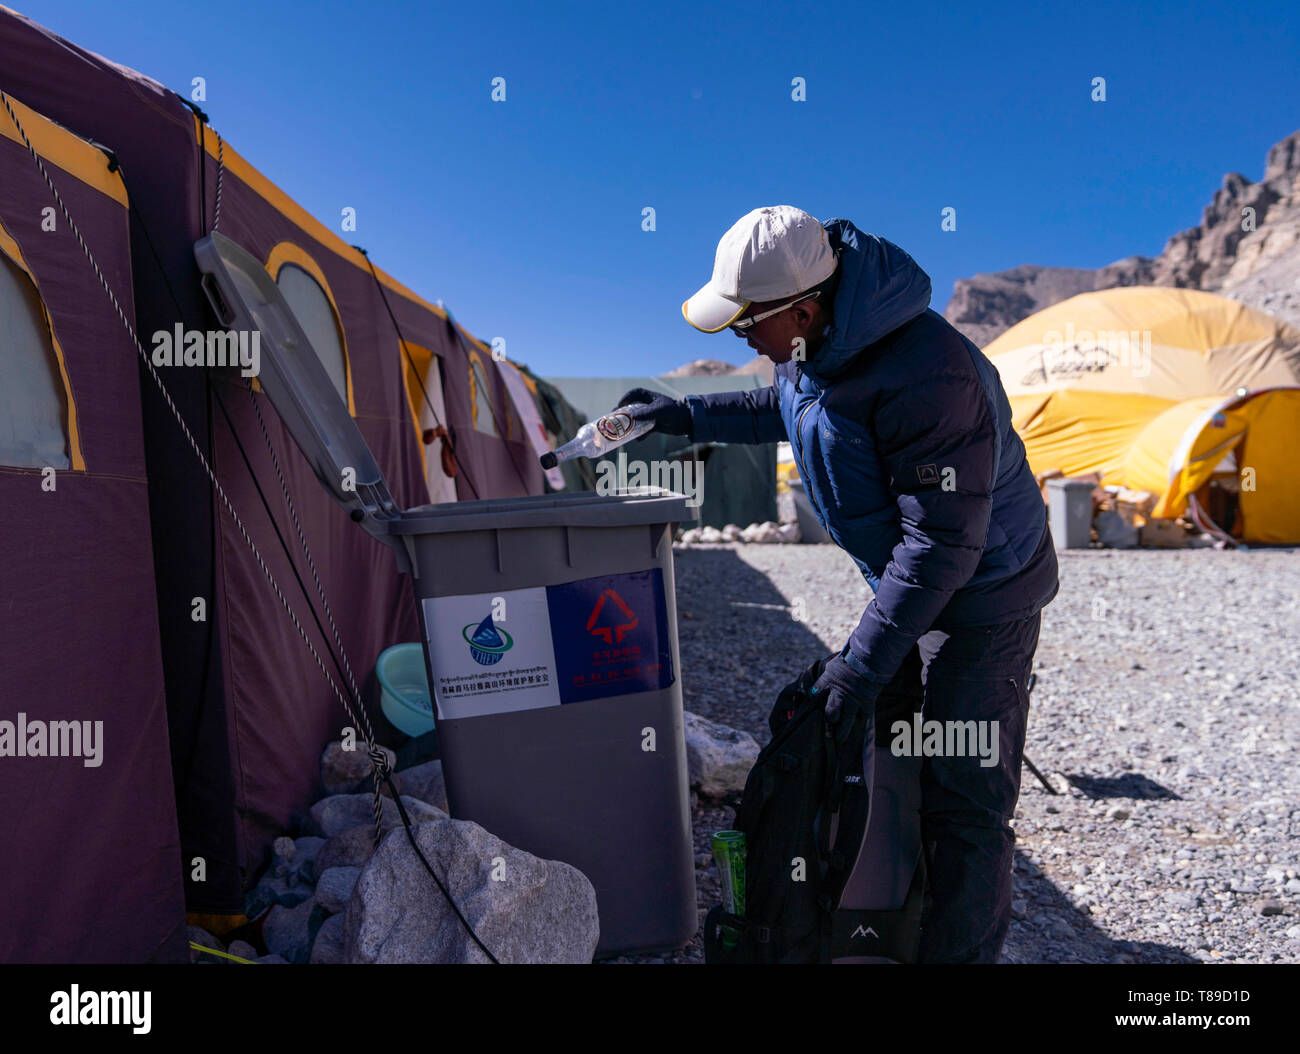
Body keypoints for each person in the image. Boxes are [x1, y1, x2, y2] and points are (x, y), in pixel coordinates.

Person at [617, 205, 1059, 963]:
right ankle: (898, 923)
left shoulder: (930, 372)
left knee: (965, 800)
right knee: (903, 758)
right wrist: (684, 416)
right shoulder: (814, 350)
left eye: (744, 325)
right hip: (920, 581)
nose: (743, 340)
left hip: (985, 595)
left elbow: (943, 542)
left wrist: (858, 665)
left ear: (802, 308)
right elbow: (782, 407)